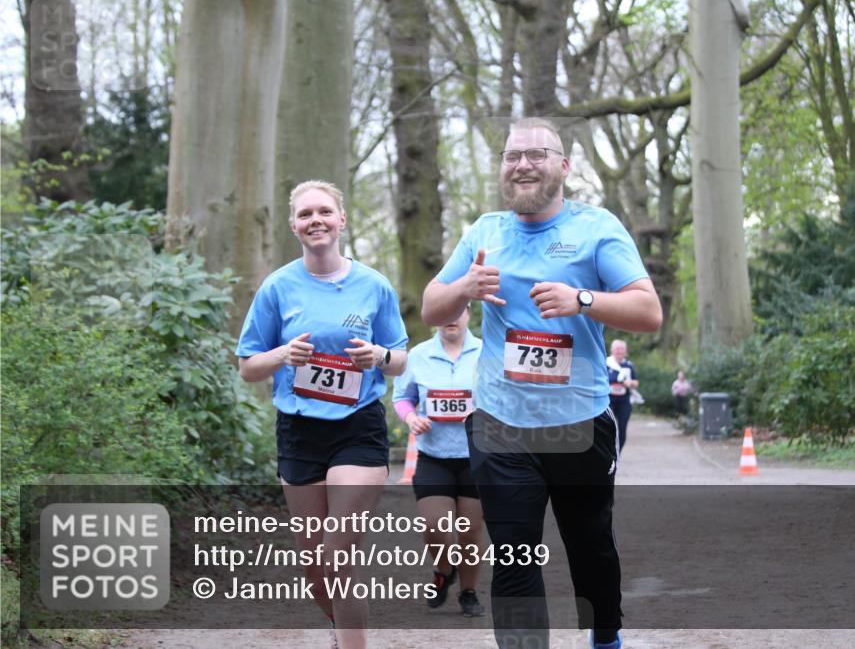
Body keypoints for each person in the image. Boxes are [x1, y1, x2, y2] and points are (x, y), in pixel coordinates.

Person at [421, 118, 662, 649]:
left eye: (536, 154)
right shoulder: (484, 232)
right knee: (514, 552)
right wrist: (465, 287)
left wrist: (584, 299)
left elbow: (649, 311)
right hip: (502, 426)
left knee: (590, 545)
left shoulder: (596, 227)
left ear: (563, 165)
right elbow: (430, 306)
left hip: (577, 425)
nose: (523, 164)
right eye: (513, 156)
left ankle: (605, 638)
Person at [236, 180, 408, 649]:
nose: (316, 220)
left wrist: (377, 355)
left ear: (341, 220)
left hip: (358, 428)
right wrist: (282, 356)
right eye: (306, 214)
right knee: (316, 568)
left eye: (325, 212)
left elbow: (400, 358)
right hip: (298, 431)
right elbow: (249, 366)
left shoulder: (374, 285)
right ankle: (342, 628)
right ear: (294, 225)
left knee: (338, 554)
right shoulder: (278, 287)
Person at [392, 304, 486, 617]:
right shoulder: (417, 355)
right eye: (445, 312)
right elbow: (402, 398)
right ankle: (444, 569)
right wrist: (411, 418)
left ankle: (469, 592)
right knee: (434, 525)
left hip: (476, 457)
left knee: (470, 531)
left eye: (459, 311)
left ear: (469, 314)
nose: (451, 317)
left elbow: (503, 395)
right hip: (434, 455)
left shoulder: (487, 352)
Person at [606, 340, 639, 450]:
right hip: (608, 401)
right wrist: (618, 380)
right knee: (609, 427)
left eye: (621, 349)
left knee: (622, 428)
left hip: (624, 401)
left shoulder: (628, 365)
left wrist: (630, 383)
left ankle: (618, 453)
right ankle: (608, 452)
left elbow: (636, 382)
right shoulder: (606, 363)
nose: (619, 351)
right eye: (617, 348)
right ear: (612, 350)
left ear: (625, 351)